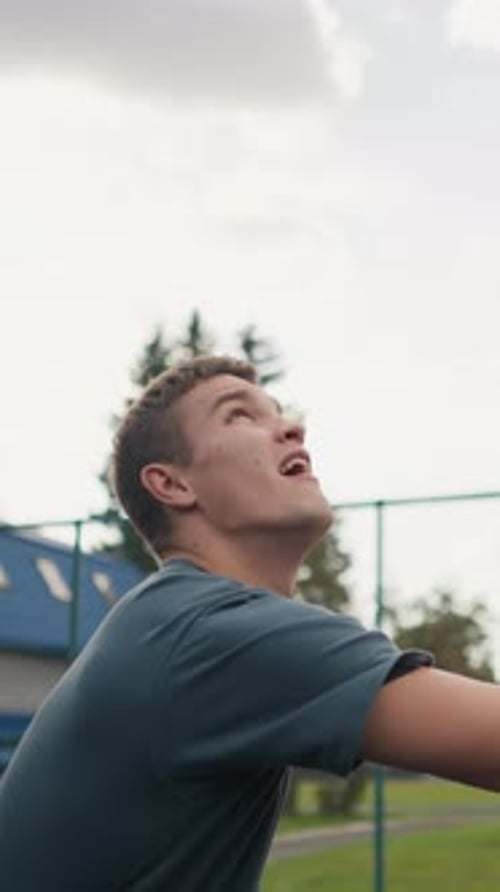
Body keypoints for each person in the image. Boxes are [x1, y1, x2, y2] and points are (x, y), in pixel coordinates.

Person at [0, 355, 498, 891]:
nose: (292, 426)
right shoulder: (209, 633)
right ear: (171, 484)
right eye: (239, 416)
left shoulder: (171, 620)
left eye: (279, 412)